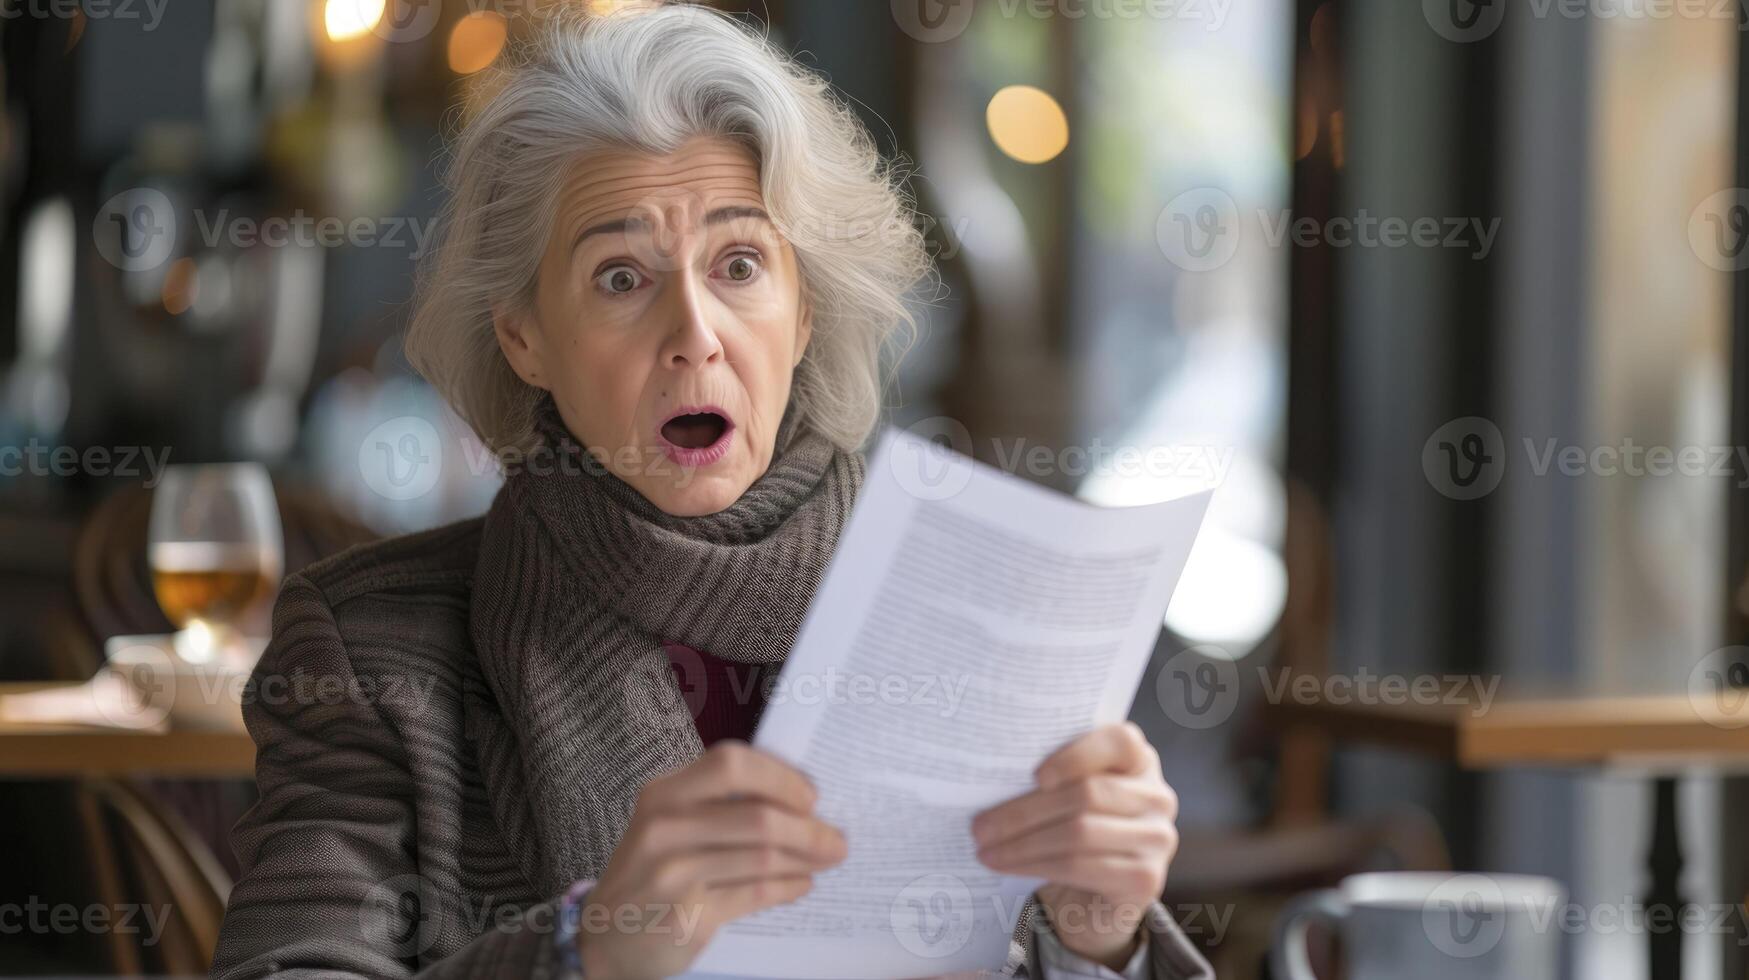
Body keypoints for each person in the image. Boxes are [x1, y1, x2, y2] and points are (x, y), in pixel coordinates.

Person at [211, 6, 1212, 978]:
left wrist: (1096, 939)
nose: (695, 330)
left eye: (739, 263)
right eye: (620, 277)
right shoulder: (368, 652)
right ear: (524, 336)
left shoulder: (966, 605)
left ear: (804, 306)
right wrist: (587, 951)